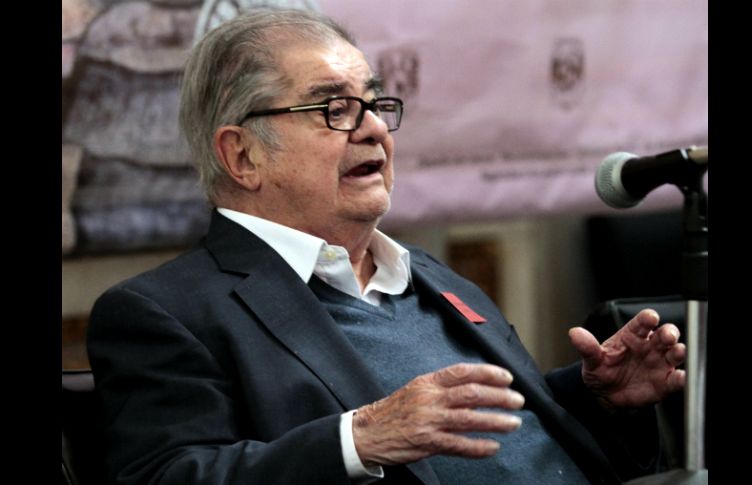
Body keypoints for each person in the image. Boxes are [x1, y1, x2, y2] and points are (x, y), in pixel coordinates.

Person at [87, 8, 686, 485]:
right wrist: (358, 440)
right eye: (335, 109)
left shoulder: (426, 274)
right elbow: (167, 475)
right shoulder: (165, 312)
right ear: (242, 155)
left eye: (373, 104)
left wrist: (596, 398)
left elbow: (509, 438)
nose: (373, 127)